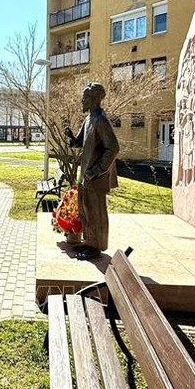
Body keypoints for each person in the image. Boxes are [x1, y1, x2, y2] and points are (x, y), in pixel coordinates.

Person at [65, 83, 120, 260]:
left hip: (95, 177)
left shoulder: (100, 120)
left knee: (96, 213)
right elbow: (81, 142)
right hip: (86, 176)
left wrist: (97, 170)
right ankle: (89, 242)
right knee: (86, 211)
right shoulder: (88, 119)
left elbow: (113, 148)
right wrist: (72, 139)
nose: (82, 100)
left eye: (85, 97)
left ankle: (96, 247)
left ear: (94, 99)